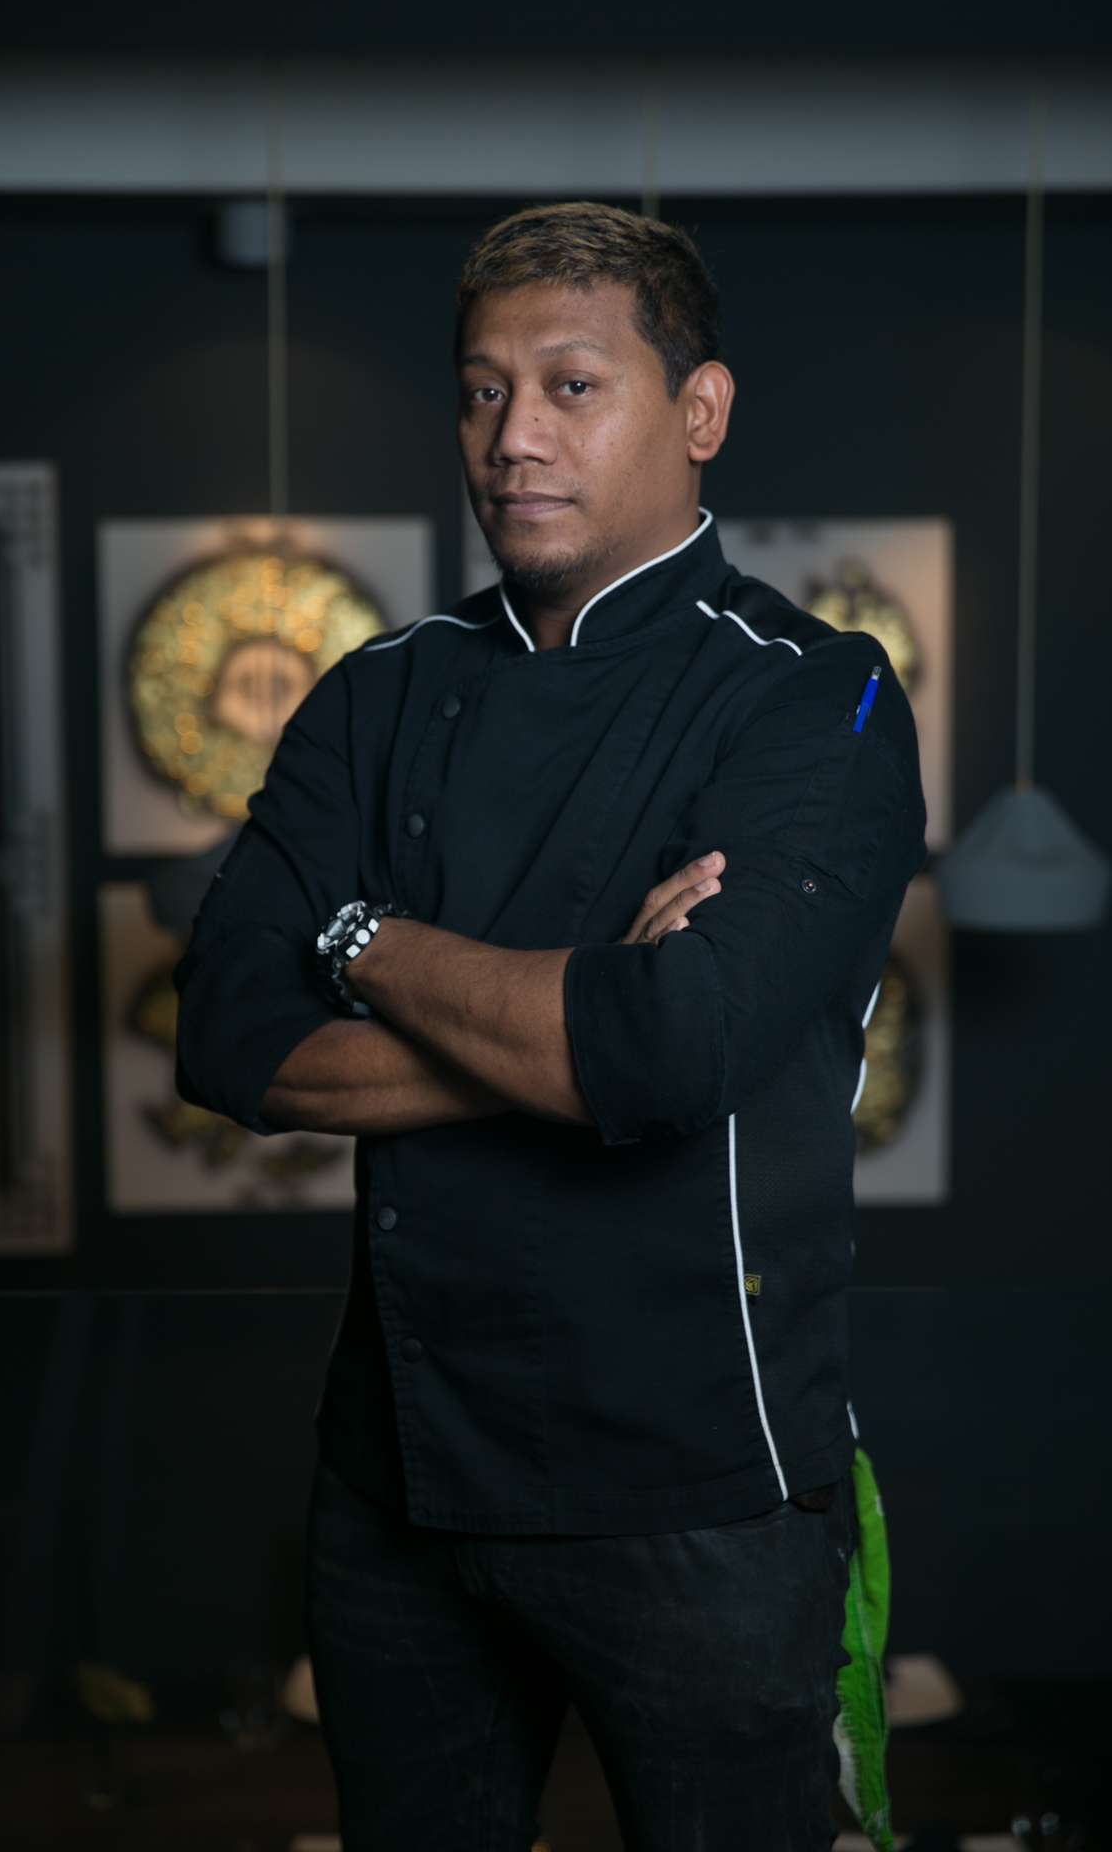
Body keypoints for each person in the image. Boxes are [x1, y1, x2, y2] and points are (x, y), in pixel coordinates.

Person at [173, 200, 928, 1851]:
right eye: (481, 392)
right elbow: (230, 1039)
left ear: (699, 411)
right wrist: (578, 1030)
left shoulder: (818, 695)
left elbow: (673, 1050)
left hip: (701, 1495)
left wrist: (358, 936)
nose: (513, 437)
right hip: (399, 1482)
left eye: (573, 387)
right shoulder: (377, 691)